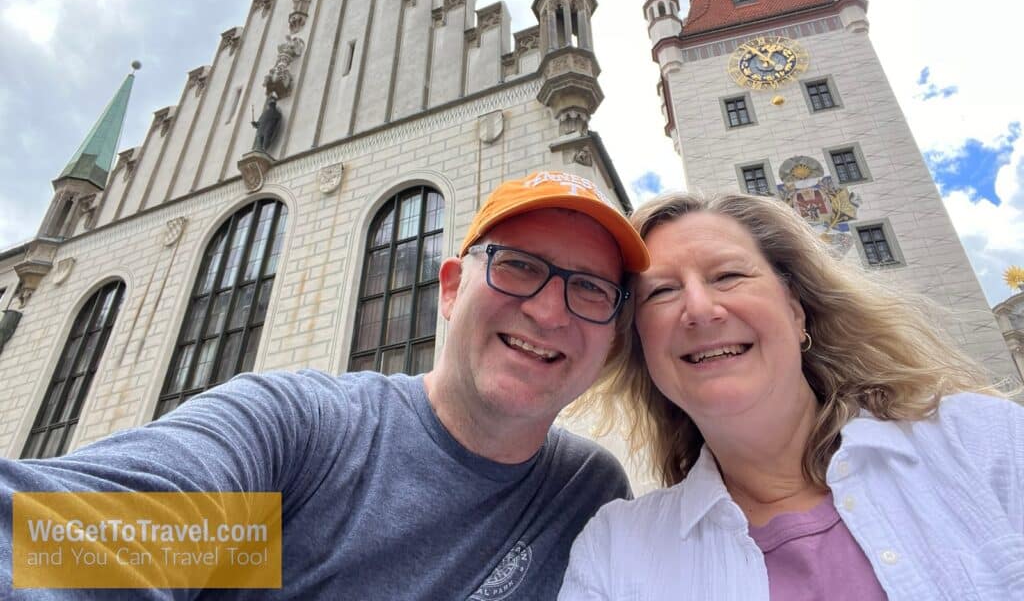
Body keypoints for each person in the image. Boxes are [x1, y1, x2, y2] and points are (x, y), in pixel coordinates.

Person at [0, 170, 649, 600]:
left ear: (612, 334)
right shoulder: (303, 441)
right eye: (519, 266)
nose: (549, 310)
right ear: (451, 288)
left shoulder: (585, 495)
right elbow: (67, 546)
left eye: (589, 288)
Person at [559, 191, 1024, 601]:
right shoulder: (616, 550)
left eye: (727, 275)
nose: (699, 309)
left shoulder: (983, 443)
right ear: (643, 349)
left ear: (796, 312)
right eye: (661, 292)